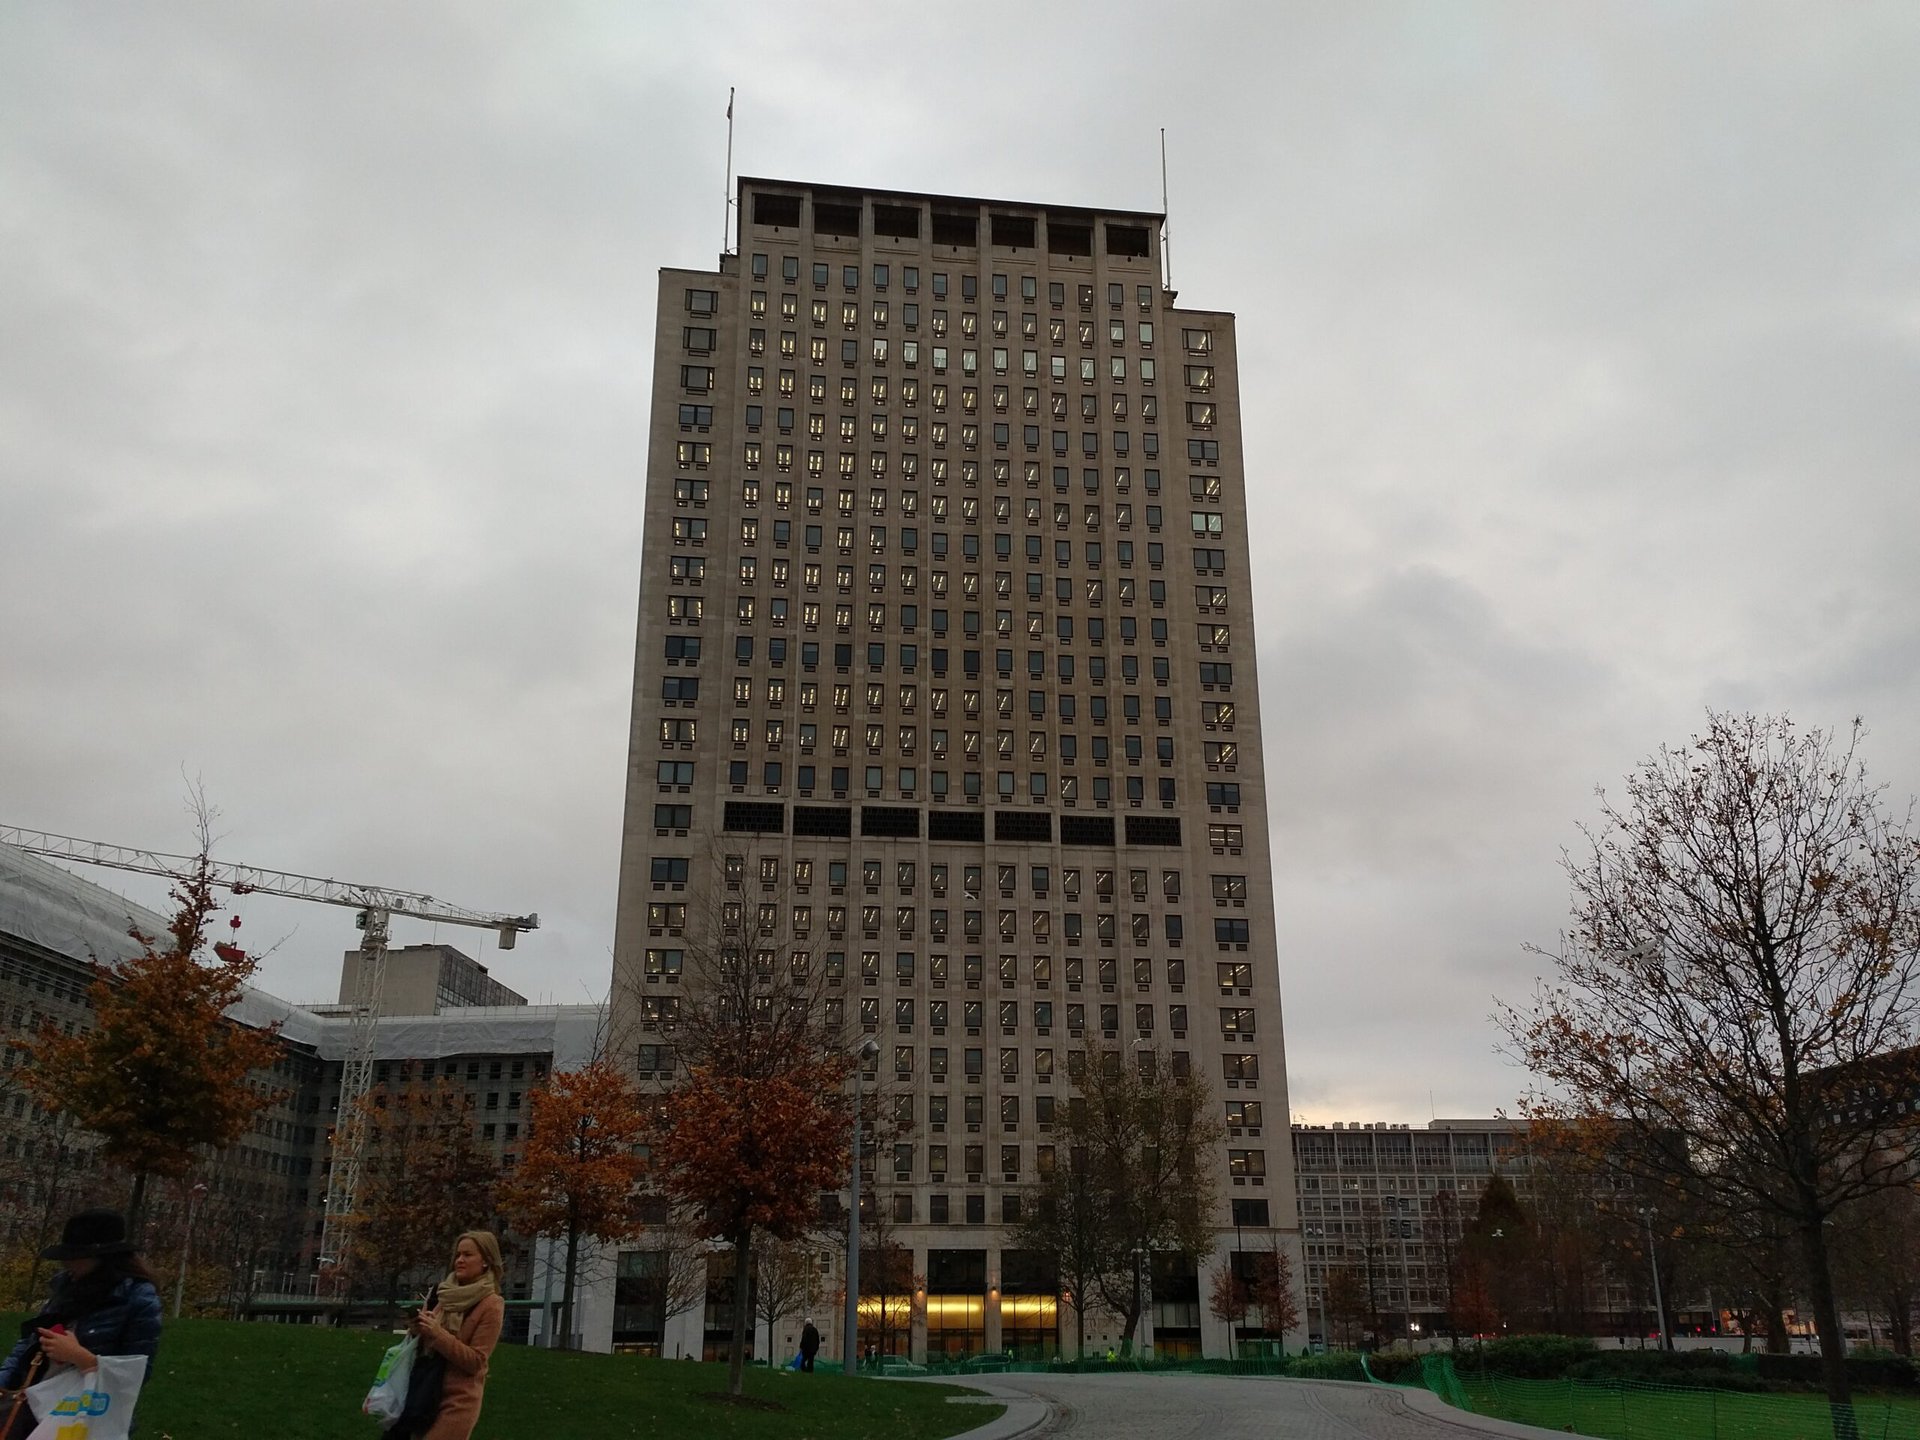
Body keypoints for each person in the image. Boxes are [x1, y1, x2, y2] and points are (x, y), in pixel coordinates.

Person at [0, 1208, 162, 1440]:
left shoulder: (138, 1298)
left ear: (103, 1257)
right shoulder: (65, 1288)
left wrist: (81, 1357)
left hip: (87, 1413)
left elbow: (135, 1374)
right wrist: (4, 1379)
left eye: (76, 1256)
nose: (67, 1263)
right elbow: (28, 1343)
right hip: (35, 1403)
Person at [392, 1230, 506, 1440]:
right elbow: (422, 1347)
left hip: (458, 1401)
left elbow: (476, 1362)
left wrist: (437, 1334)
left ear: (486, 1261)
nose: (460, 1260)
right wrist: (417, 1330)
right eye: (458, 1255)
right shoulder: (441, 1293)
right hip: (424, 1392)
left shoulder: (492, 1304)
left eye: (468, 1255)